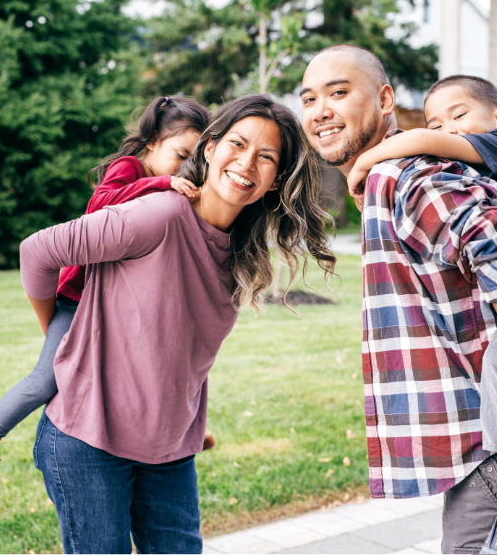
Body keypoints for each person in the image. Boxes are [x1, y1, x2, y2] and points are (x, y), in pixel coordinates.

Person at [301, 45, 497, 554]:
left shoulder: (406, 176)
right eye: (308, 99)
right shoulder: (390, 177)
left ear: (385, 99)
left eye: (338, 92)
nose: (320, 110)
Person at [25, 94, 333, 553]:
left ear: (275, 181)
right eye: (237, 143)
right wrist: (63, 333)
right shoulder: (160, 215)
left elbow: (180, 349)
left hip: (168, 451)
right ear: (209, 148)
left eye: (266, 157)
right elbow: (38, 252)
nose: (247, 162)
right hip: (88, 438)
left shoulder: (243, 256)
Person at [0, 95, 212, 501]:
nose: (185, 169)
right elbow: (99, 205)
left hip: (119, 302)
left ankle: (177, 430)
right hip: (80, 300)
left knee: (161, 356)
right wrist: (161, 183)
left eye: (194, 162)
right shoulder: (129, 169)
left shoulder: (174, 187)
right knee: (46, 379)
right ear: (152, 145)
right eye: (180, 155)